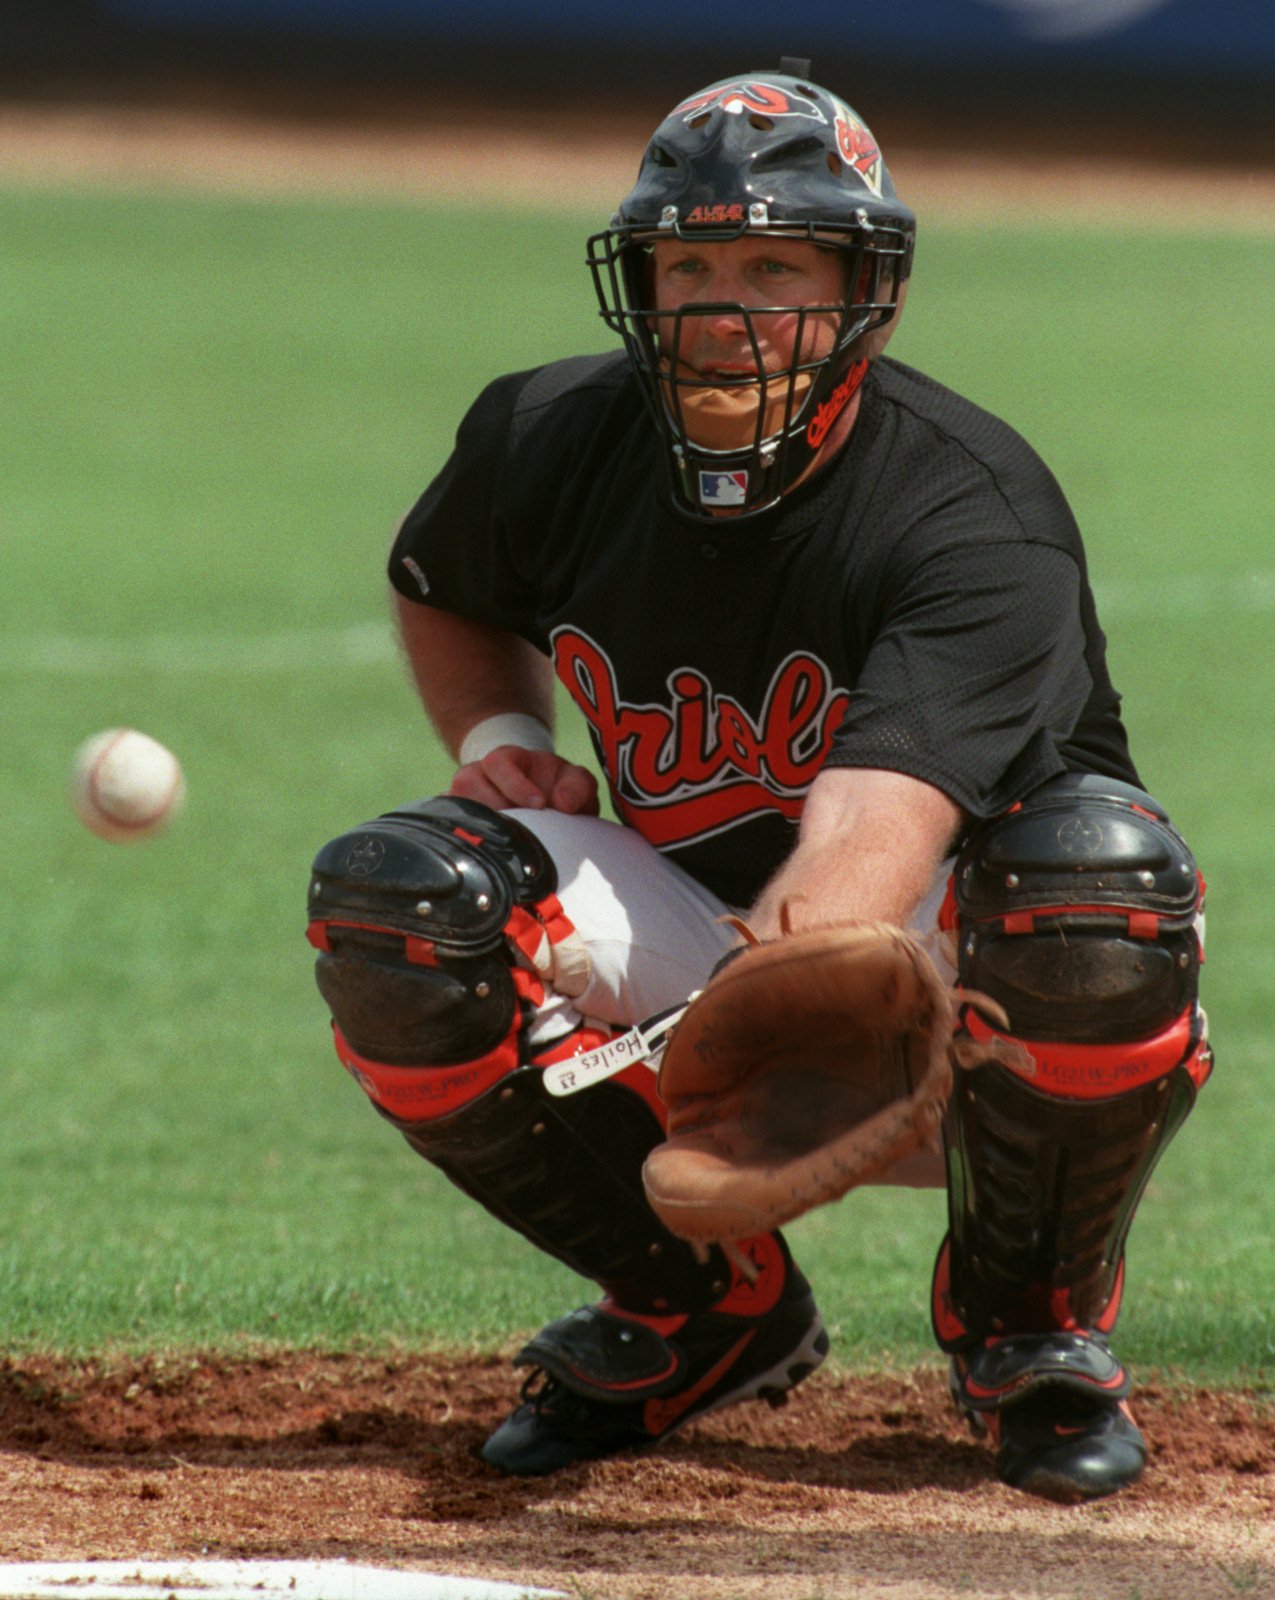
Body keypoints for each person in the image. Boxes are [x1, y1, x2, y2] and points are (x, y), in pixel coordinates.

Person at [305, 62, 1212, 1502]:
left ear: (870, 289)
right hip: (702, 927)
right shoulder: (546, 436)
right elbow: (441, 584)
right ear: (643, 285)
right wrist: (494, 742)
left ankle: (1027, 1326)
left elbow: (873, 828)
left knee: (1093, 895)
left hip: (952, 977)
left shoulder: (969, 507)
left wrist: (751, 1036)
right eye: (692, 265)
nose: (726, 311)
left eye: (776, 265)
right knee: (404, 913)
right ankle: (704, 1308)